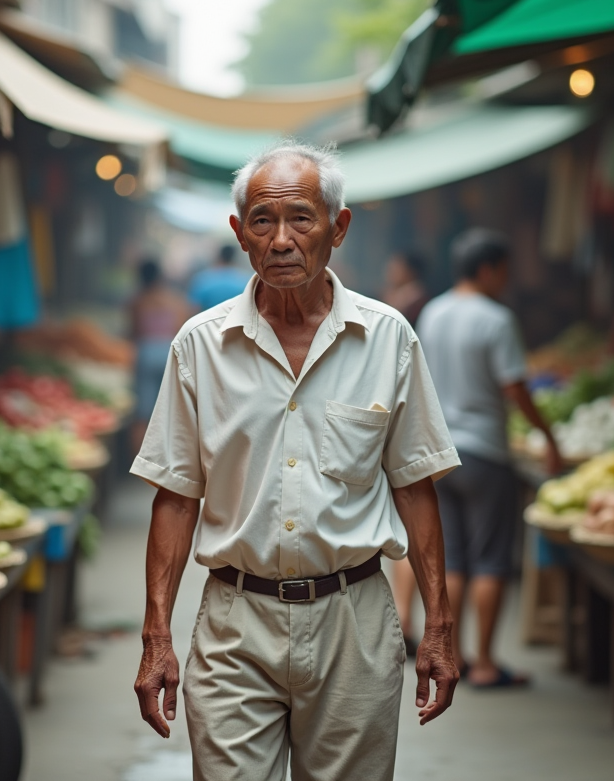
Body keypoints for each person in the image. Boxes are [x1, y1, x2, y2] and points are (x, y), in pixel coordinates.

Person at [131, 139, 461, 781]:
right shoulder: (198, 346)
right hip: (235, 622)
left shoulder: (388, 337)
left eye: (301, 219)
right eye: (263, 221)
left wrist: (440, 625)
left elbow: (416, 487)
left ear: (337, 228)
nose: (282, 239)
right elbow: (175, 495)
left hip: (355, 621)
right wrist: (156, 636)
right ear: (240, 234)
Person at [416, 227, 563, 689]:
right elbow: (514, 386)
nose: (506, 279)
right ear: (487, 269)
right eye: (503, 270)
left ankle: (451, 657)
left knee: (453, 559)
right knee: (491, 560)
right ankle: (483, 663)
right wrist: (547, 434)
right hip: (485, 452)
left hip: (439, 453)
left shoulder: (432, 313)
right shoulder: (496, 319)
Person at [380, 249, 431, 653]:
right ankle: (405, 616)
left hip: (403, 421)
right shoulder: (401, 301)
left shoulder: (406, 310)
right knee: (402, 524)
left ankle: (406, 617)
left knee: (406, 521)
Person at [128, 260, 192, 451]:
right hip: (169, 352)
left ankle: (139, 463)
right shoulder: (175, 299)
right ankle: (170, 459)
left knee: (143, 411)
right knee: (172, 409)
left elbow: (134, 331)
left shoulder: (137, 301)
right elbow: (183, 328)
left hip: (145, 352)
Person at [188, 243, 252, 311]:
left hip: (209, 319)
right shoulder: (245, 280)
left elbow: (194, 307)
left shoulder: (203, 279)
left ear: (219, 256)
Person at [382, 250, 430, 327]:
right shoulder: (389, 295)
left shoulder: (418, 302)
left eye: (396, 267)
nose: (390, 271)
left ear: (411, 271)